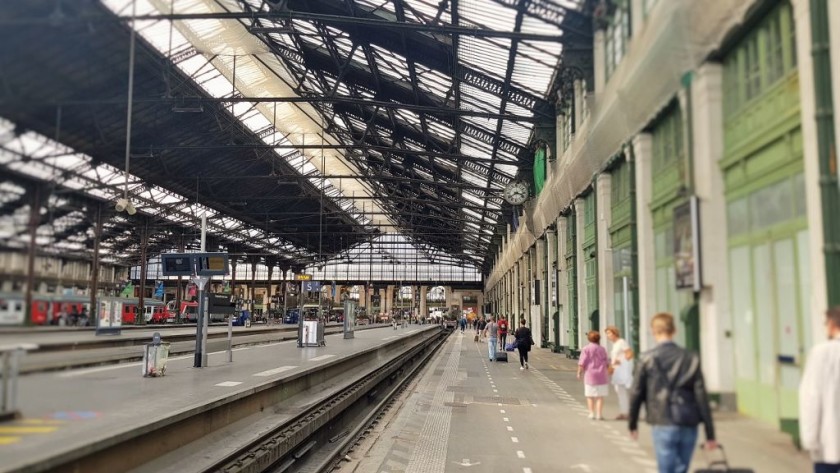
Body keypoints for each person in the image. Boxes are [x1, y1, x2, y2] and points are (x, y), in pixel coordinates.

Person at [629, 312, 716, 473]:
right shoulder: (690, 357)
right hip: (688, 420)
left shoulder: (646, 358)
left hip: (662, 420)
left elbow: (636, 393)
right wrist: (710, 434)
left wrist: (632, 423)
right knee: (682, 468)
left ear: (653, 331)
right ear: (674, 330)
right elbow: (701, 396)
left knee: (666, 468)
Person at [799, 306, 840, 473]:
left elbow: (812, 398)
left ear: (831, 324)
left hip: (829, 444)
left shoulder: (822, 353)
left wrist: (810, 439)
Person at [577, 330, 610, 420]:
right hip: (601, 375)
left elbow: (582, 362)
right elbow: (607, 362)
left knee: (590, 396)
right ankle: (599, 414)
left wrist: (579, 372)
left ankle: (591, 413)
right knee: (600, 396)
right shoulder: (602, 349)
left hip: (590, 375)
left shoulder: (586, 349)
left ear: (589, 339)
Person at [606, 326, 634, 420]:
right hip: (617, 371)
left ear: (615, 333)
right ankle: (624, 412)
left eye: (609, 333)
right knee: (620, 391)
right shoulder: (615, 344)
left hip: (622, 371)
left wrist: (622, 361)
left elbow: (629, 353)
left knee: (624, 391)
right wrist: (612, 367)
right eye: (607, 334)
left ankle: (627, 412)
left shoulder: (621, 342)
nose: (608, 336)